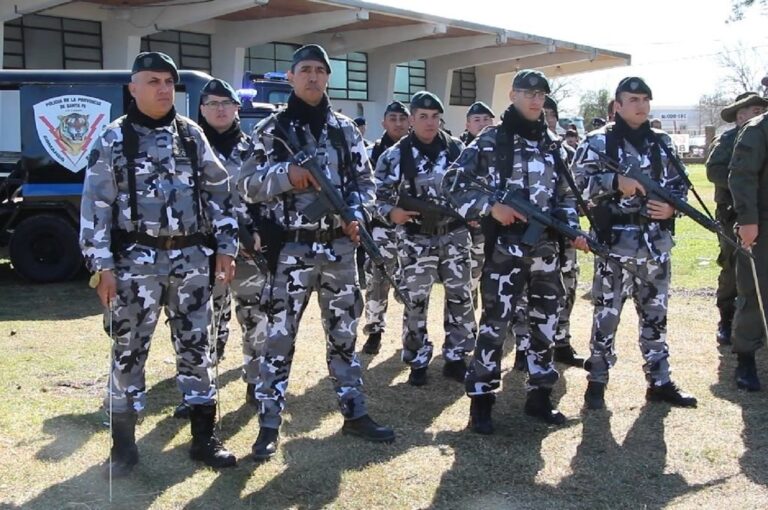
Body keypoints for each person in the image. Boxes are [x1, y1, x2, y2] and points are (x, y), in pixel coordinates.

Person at [80, 52, 239, 476]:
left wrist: (227, 246)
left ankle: (204, 440)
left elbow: (220, 192)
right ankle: (124, 448)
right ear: (133, 89)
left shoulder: (191, 135)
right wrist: (102, 267)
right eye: (153, 81)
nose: (164, 88)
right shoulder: (114, 139)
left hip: (191, 259)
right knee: (128, 352)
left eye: (169, 81)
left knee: (197, 347)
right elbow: (95, 207)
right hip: (135, 261)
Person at [239, 44, 395, 461]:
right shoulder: (271, 131)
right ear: (290, 77)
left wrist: (357, 213)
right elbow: (246, 185)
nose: (312, 77)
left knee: (344, 335)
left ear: (328, 78)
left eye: (319, 71)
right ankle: (270, 423)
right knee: (278, 339)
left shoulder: (345, 130)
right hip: (291, 249)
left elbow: (366, 183)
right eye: (304, 70)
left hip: (341, 250)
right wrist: (287, 175)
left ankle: (354, 411)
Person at [443, 69, 587, 432]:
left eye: (541, 94)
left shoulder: (553, 143)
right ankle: (481, 400)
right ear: (513, 95)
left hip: (546, 251)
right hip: (505, 251)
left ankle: (539, 396)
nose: (536, 99)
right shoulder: (492, 140)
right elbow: (452, 184)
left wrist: (571, 229)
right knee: (495, 324)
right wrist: (490, 208)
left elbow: (566, 197)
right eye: (528, 93)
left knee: (544, 324)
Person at [574, 76, 697, 410]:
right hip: (614, 246)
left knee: (656, 318)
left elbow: (680, 184)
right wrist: (615, 181)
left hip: (656, 245)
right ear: (617, 105)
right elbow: (576, 187)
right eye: (633, 99)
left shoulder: (662, 141)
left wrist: (672, 206)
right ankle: (596, 382)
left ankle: (659, 381)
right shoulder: (597, 143)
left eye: (645, 99)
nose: (640, 105)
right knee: (606, 318)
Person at [374, 90, 476, 386]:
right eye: (423, 117)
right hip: (416, 239)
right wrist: (390, 212)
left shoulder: (458, 150)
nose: (430, 123)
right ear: (411, 119)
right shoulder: (395, 155)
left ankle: (456, 357)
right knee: (415, 300)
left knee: (460, 296)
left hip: (454, 234)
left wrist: (472, 210)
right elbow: (375, 194)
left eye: (435, 117)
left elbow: (475, 187)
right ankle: (417, 359)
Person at [706, 92, 768, 346]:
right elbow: (715, 171)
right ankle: (727, 318)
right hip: (733, 212)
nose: (758, 115)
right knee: (733, 268)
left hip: (755, 209)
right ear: (741, 115)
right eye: (754, 111)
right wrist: (743, 187)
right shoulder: (728, 139)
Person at [361, 100, 411, 355]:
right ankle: (375, 330)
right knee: (377, 279)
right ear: (384, 122)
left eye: (403, 118)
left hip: (415, 230)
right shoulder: (371, 153)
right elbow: (364, 192)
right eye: (393, 118)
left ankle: (412, 335)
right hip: (382, 228)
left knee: (412, 283)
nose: (398, 123)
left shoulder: (418, 149)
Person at [728, 100, 768, 391]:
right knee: (754, 292)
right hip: (761, 226)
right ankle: (745, 358)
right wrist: (748, 221)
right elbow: (741, 176)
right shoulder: (758, 129)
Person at [460, 101, 496, 310]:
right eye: (477, 120)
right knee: (468, 280)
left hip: (498, 225)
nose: (482, 124)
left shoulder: (503, 148)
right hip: (468, 226)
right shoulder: (460, 150)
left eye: (486, 119)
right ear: (467, 125)